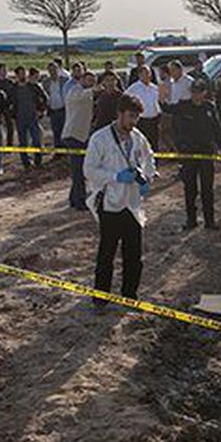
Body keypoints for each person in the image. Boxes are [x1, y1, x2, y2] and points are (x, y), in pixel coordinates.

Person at [84, 94, 157, 305]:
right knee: (107, 253)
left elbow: (149, 156)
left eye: (137, 118)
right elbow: (88, 170)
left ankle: (129, 294)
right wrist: (115, 177)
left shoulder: (137, 137)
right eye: (131, 116)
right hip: (110, 203)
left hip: (132, 204)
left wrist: (147, 177)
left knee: (134, 254)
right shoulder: (100, 138)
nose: (134, 122)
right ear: (119, 114)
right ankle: (101, 297)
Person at [163, 80, 221, 229]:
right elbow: (167, 109)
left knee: (207, 189)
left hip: (206, 153)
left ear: (204, 93)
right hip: (188, 153)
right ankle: (191, 220)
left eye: (200, 92)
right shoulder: (184, 106)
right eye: (194, 92)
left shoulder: (210, 107)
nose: (197, 95)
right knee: (190, 189)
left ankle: (210, 221)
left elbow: (217, 129)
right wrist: (161, 96)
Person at [62, 71, 101, 210]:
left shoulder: (88, 94)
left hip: (82, 136)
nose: (91, 83)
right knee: (78, 171)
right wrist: (93, 90)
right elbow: (78, 98)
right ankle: (79, 201)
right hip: (73, 135)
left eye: (93, 81)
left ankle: (74, 199)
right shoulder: (76, 90)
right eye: (89, 80)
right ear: (83, 80)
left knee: (78, 170)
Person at [11, 66, 48, 169]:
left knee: (37, 140)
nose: (23, 75)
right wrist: (12, 115)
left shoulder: (33, 86)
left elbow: (44, 98)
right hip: (20, 119)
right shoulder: (14, 89)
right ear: (17, 75)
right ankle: (26, 163)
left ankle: (38, 161)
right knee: (23, 142)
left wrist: (41, 111)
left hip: (33, 118)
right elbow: (9, 102)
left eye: (24, 73)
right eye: (20, 73)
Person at [125, 66, 162, 149]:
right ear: (140, 75)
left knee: (153, 142)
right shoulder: (133, 88)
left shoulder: (155, 88)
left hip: (154, 120)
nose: (147, 75)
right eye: (145, 73)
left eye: (149, 73)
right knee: (140, 142)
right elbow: (125, 101)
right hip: (140, 120)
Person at [42, 61, 70, 148]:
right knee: (55, 131)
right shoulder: (46, 82)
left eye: (54, 70)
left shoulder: (65, 81)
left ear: (58, 70)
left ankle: (65, 150)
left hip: (63, 109)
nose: (52, 72)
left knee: (65, 131)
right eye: (50, 70)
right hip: (53, 110)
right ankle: (58, 151)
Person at [0, 63, 18, 148]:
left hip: (8, 107)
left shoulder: (10, 82)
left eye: (6, 70)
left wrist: (12, 104)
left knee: (10, 127)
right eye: (2, 70)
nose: (4, 72)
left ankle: (9, 144)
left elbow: (13, 95)